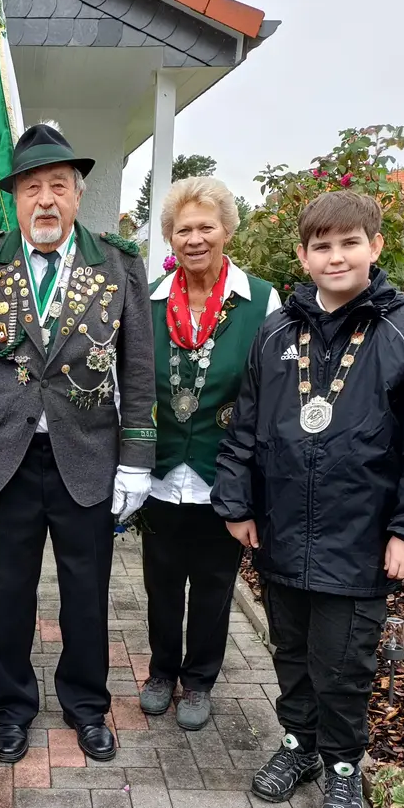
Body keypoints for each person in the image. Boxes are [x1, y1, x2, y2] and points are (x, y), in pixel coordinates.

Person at [210, 190, 404, 808]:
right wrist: (237, 502)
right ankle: (299, 744)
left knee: (344, 662)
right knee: (290, 650)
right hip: (281, 528)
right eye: (322, 245)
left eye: (349, 242)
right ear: (303, 254)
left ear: (375, 247)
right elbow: (245, 426)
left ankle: (345, 765)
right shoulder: (277, 330)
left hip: (360, 534)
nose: (335, 256)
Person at [0, 121, 155, 765]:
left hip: (88, 456)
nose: (45, 200)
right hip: (6, 459)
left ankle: (86, 705)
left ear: (78, 194)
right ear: (14, 198)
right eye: (31, 188)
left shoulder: (119, 264)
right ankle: (12, 707)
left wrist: (136, 461)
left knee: (86, 591)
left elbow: (138, 370)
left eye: (58, 187)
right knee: (7, 592)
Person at [138, 177, 283, 731]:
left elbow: (272, 392)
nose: (194, 238)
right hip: (161, 473)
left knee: (216, 584)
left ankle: (199, 681)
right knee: (161, 582)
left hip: (225, 474)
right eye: (182, 229)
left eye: (205, 227)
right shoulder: (150, 300)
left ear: (226, 230)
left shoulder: (261, 300)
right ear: (170, 238)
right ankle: (160, 672)